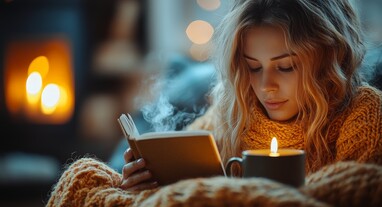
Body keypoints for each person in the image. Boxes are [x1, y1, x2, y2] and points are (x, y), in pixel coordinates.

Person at [120, 0, 382, 191]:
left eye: (286, 67)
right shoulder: (232, 111)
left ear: (328, 59)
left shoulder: (364, 115)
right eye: (253, 67)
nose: (266, 86)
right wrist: (142, 186)